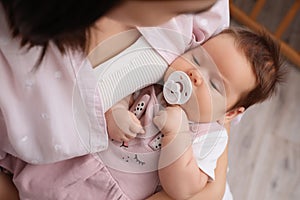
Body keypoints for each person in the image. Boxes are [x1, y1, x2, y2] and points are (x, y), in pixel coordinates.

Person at [0, 26, 284, 200]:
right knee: (32, 179)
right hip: (78, 164)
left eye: (213, 84)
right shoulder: (156, 80)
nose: (195, 75)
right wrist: (117, 110)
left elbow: (183, 190)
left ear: (232, 113)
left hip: (109, 194)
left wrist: (178, 136)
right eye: (197, 58)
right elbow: (120, 88)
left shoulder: (210, 137)